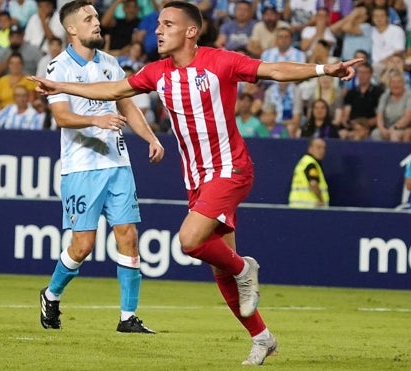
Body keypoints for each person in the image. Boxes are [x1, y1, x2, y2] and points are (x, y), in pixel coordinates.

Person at [30, 1, 360, 365]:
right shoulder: (157, 72)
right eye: (158, 23)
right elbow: (111, 92)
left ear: (190, 32)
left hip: (230, 169)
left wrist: (323, 69)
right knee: (219, 267)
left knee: (190, 241)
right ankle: (261, 336)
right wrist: (57, 85)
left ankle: (244, 268)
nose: (158, 29)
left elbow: (275, 70)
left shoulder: (221, 62)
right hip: (198, 180)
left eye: (167, 24)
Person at [36, 0, 165, 335]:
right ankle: (51, 295)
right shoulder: (58, 68)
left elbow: (128, 106)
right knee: (83, 246)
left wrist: (151, 138)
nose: (96, 22)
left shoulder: (111, 64)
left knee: (129, 236)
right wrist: (96, 118)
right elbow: (61, 116)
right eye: (88, 18)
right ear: (71, 29)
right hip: (81, 168)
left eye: (96, 17)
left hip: (118, 163)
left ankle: (128, 317)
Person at [288, 138, 329, 208]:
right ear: (310, 148)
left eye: (324, 148)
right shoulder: (311, 164)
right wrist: (321, 200)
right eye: (318, 147)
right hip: (309, 208)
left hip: (297, 206)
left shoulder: (303, 161)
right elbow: (313, 184)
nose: (322, 151)